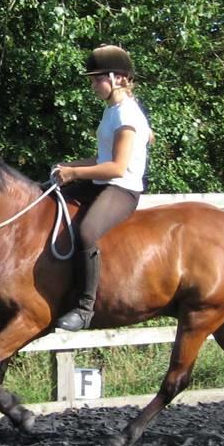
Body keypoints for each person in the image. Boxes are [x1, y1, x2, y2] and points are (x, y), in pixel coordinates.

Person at [53, 44, 152, 331]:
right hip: (102, 182)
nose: (93, 84)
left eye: (98, 79)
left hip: (122, 189)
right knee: (51, 199)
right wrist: (68, 166)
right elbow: (102, 159)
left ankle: (85, 309)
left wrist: (74, 173)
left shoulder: (126, 115)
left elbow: (118, 167)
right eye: (93, 79)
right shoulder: (113, 110)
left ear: (118, 78)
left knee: (87, 231)